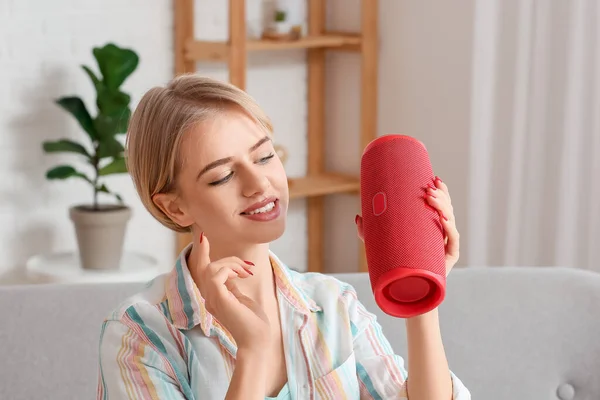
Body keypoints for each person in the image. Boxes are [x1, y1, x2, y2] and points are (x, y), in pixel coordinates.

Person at [96, 74, 471, 400]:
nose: (260, 184)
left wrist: (422, 290)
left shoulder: (334, 306)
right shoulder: (139, 336)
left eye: (264, 157)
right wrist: (253, 352)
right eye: (223, 176)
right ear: (175, 208)